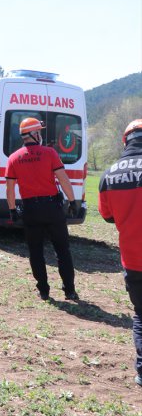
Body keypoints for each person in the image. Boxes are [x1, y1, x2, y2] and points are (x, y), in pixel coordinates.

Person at [5, 117, 80, 301]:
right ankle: (69, 290)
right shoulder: (50, 153)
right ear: (34, 133)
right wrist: (72, 202)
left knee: (36, 251)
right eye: (39, 131)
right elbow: (63, 179)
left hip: (30, 209)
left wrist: (13, 210)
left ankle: (44, 291)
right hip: (52, 207)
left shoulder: (14, 158)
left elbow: (10, 189)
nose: (40, 135)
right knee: (62, 250)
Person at [98, 119, 142, 387]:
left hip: (134, 260)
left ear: (125, 141)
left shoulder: (109, 175)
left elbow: (106, 216)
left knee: (140, 315)